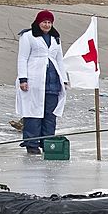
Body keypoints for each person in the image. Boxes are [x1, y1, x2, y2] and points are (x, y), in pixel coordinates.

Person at [16, 10, 69, 155]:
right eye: (44, 22)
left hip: (53, 82)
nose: (47, 25)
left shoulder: (55, 38)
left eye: (49, 22)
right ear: (38, 22)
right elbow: (22, 58)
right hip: (34, 80)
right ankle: (32, 144)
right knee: (33, 113)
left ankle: (47, 143)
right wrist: (23, 79)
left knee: (50, 115)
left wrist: (64, 79)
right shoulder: (28, 36)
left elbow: (59, 59)